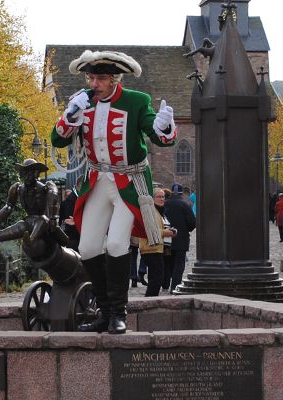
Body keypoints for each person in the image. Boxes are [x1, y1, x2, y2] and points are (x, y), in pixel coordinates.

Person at [51, 50, 177, 334]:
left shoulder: (136, 101)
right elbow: (57, 140)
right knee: (88, 248)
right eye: (91, 77)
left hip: (129, 183)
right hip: (96, 179)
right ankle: (104, 313)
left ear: (114, 80)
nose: (94, 83)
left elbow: (159, 136)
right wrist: (71, 114)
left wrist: (163, 125)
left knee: (118, 245)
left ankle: (119, 314)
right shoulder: (81, 102)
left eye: (100, 79)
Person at [139, 189, 176, 296]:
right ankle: (149, 300)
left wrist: (170, 231)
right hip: (151, 248)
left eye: (163, 197)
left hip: (156, 248)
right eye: (159, 197)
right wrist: (167, 232)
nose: (161, 199)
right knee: (157, 279)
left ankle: (150, 300)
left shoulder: (158, 211)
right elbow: (150, 230)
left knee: (155, 278)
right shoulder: (151, 211)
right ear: (153, 198)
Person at [164, 183, 196, 292]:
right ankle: (175, 285)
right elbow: (192, 222)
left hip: (166, 239)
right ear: (181, 193)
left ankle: (165, 284)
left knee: (167, 262)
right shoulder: (184, 205)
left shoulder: (164, 204)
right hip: (181, 240)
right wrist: (186, 230)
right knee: (179, 264)